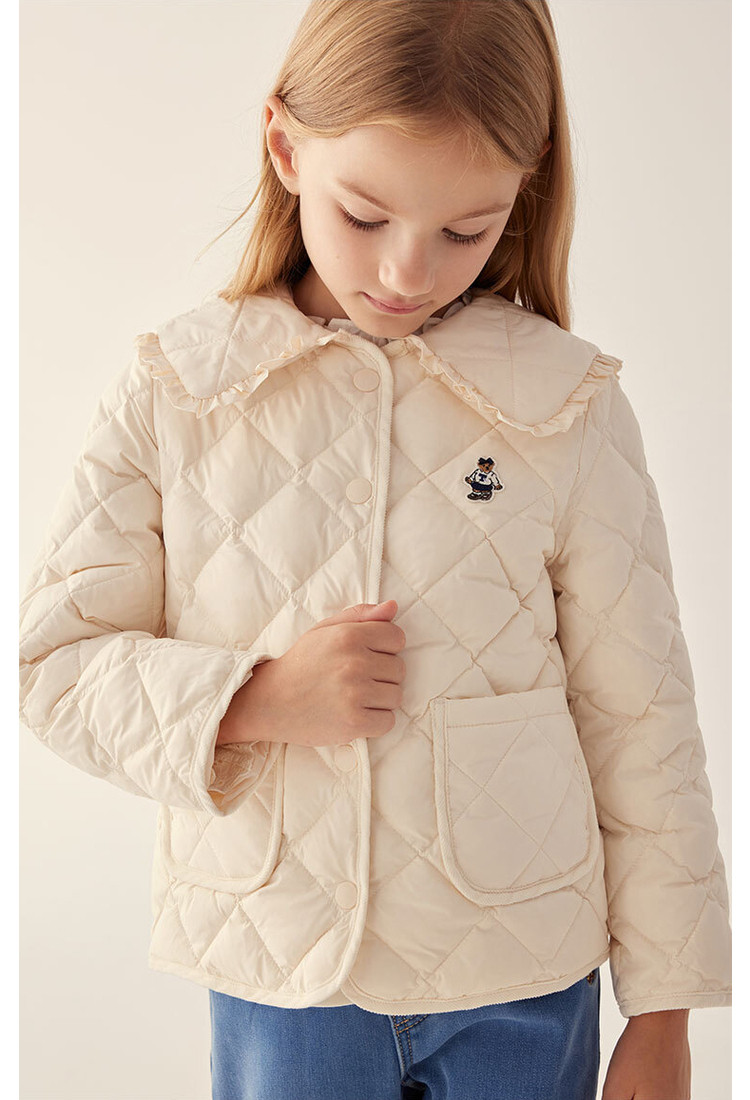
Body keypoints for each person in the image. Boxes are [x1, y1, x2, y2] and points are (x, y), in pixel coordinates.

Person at [18, 2, 731, 1098]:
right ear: (284, 145)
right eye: (363, 214)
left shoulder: (568, 404)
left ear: (528, 182)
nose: (406, 271)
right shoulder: (178, 389)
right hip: (283, 970)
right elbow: (55, 664)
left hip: (526, 971)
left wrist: (667, 1006)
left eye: (465, 231)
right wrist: (254, 697)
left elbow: (643, 718)